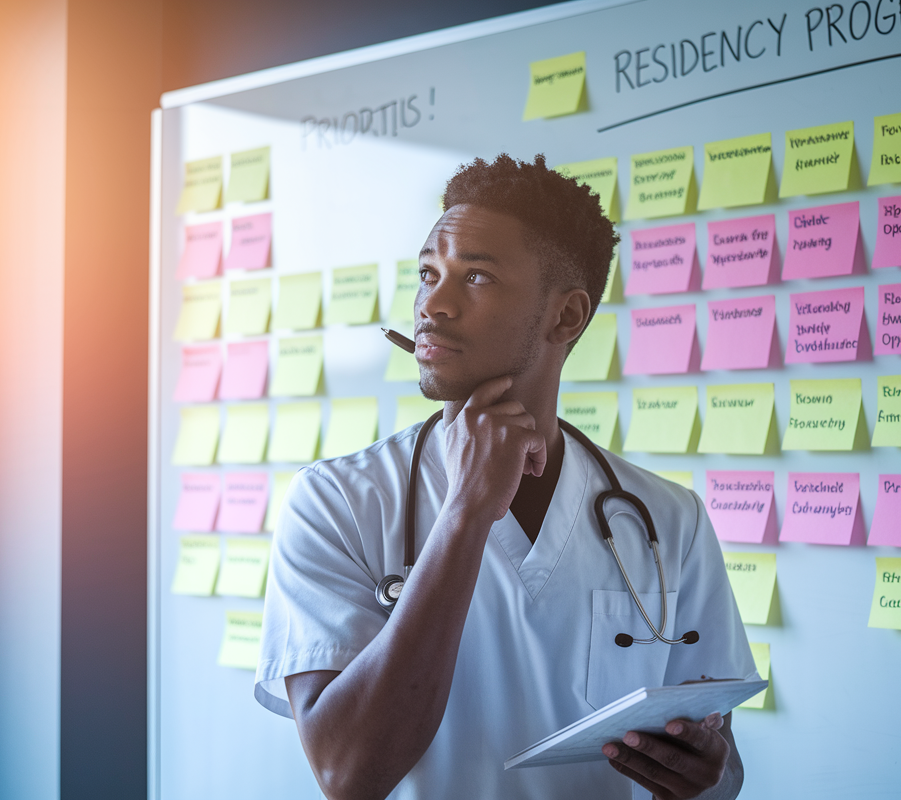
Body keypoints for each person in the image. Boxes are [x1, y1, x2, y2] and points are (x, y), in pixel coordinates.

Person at [255, 154, 757, 800]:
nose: (432, 304)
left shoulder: (668, 519)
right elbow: (349, 774)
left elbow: (727, 767)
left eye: (478, 277)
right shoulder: (336, 503)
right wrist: (465, 512)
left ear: (566, 318)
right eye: (429, 274)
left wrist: (703, 772)